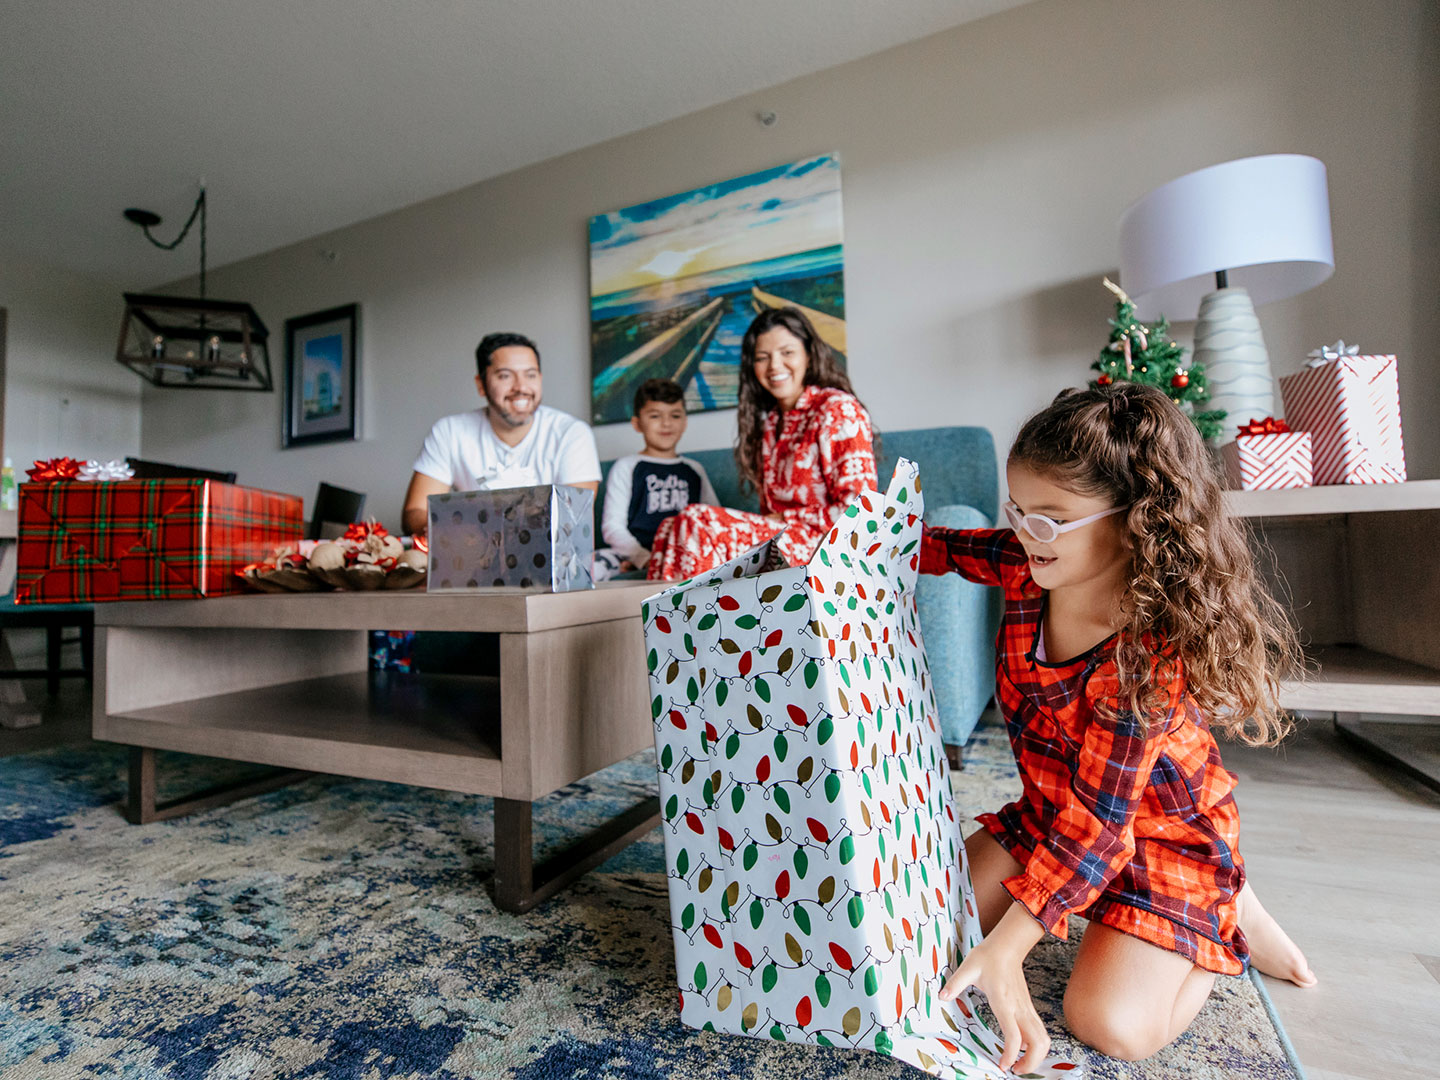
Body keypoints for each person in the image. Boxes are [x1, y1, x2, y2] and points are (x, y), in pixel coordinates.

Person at [922, 383, 1316, 1071]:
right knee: (932, 922)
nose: (1022, 531)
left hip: (1161, 837)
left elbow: (1102, 827)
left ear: (1136, 519)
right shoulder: (1026, 563)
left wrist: (1012, 946)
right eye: (1017, 508)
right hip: (1054, 814)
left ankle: (1228, 913)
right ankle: (1207, 906)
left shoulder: (1146, 653)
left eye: (1049, 518)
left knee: (1108, 1024)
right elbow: (933, 546)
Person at [646, 306, 876, 581]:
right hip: (785, 545)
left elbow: (862, 513)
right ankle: (664, 624)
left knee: (698, 521)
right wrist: (778, 523)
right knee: (669, 527)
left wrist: (785, 520)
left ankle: (682, 622)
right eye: (762, 358)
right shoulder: (769, 425)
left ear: (809, 354)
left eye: (787, 352)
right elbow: (770, 519)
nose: (774, 366)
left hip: (831, 551)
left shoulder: (837, 409)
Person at [402, 332, 600, 535]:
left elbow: (575, 514)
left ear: (540, 379)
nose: (521, 387)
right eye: (505, 375)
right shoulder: (449, 432)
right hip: (473, 555)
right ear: (481, 384)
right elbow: (415, 513)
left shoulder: (571, 433)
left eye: (530, 375)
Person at [596, 378, 718, 580]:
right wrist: (642, 558)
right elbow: (612, 527)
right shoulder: (627, 467)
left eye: (675, 415)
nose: (666, 423)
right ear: (637, 423)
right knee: (591, 565)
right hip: (634, 552)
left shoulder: (695, 470)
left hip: (684, 555)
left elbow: (712, 521)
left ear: (685, 422)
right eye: (655, 416)